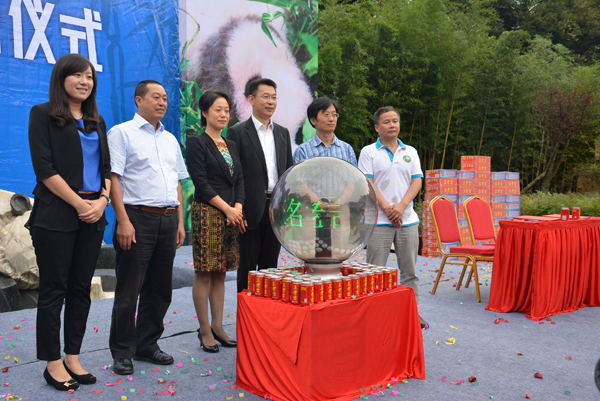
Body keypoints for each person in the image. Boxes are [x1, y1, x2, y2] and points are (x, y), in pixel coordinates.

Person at [27, 53, 111, 391]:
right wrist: (79, 203)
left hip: (93, 214)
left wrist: (102, 202)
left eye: (89, 76)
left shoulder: (96, 121)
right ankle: (52, 363)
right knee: (53, 290)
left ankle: (73, 357)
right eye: (77, 75)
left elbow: (106, 170)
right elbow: (44, 168)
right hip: (57, 215)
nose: (84, 81)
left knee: (80, 289)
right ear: (61, 78)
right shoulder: (42, 114)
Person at [108, 80, 188, 375]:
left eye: (165, 98)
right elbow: (114, 178)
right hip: (136, 218)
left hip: (168, 219)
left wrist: (179, 221)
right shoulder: (121, 133)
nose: (162, 102)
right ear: (138, 100)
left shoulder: (170, 139)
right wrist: (123, 220)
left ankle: (147, 344)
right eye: (156, 97)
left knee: (160, 288)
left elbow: (176, 181)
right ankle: (122, 351)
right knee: (129, 289)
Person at [357, 106, 428, 329]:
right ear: (377, 127)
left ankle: (411, 314)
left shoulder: (410, 151)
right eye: (386, 122)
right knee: (374, 271)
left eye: (395, 121)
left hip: (407, 220)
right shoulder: (369, 152)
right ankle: (373, 315)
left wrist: (402, 206)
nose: (392, 125)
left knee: (410, 272)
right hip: (378, 221)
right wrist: (389, 209)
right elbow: (367, 183)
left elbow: (417, 181)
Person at [186, 91, 244, 353]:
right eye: (217, 110)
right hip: (208, 212)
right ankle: (204, 329)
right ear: (204, 112)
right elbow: (201, 183)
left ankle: (218, 326)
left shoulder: (231, 144)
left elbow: (239, 179)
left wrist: (238, 208)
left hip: (231, 214)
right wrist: (227, 209)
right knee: (204, 271)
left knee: (221, 272)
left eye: (226, 110)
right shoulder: (197, 142)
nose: (223, 115)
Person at [227, 78, 294, 293]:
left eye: (274, 97)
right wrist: (240, 210)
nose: (271, 102)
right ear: (251, 99)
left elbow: (289, 173)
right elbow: (234, 176)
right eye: (265, 97)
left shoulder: (282, 133)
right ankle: (245, 314)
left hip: (275, 210)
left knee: (270, 270)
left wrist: (285, 210)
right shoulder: (237, 132)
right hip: (249, 210)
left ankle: (266, 313)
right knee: (247, 272)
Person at [293, 97, 357, 166]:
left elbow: (353, 173)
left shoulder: (347, 149)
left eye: (334, 115)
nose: (331, 119)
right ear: (313, 120)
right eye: (326, 115)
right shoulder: (303, 151)